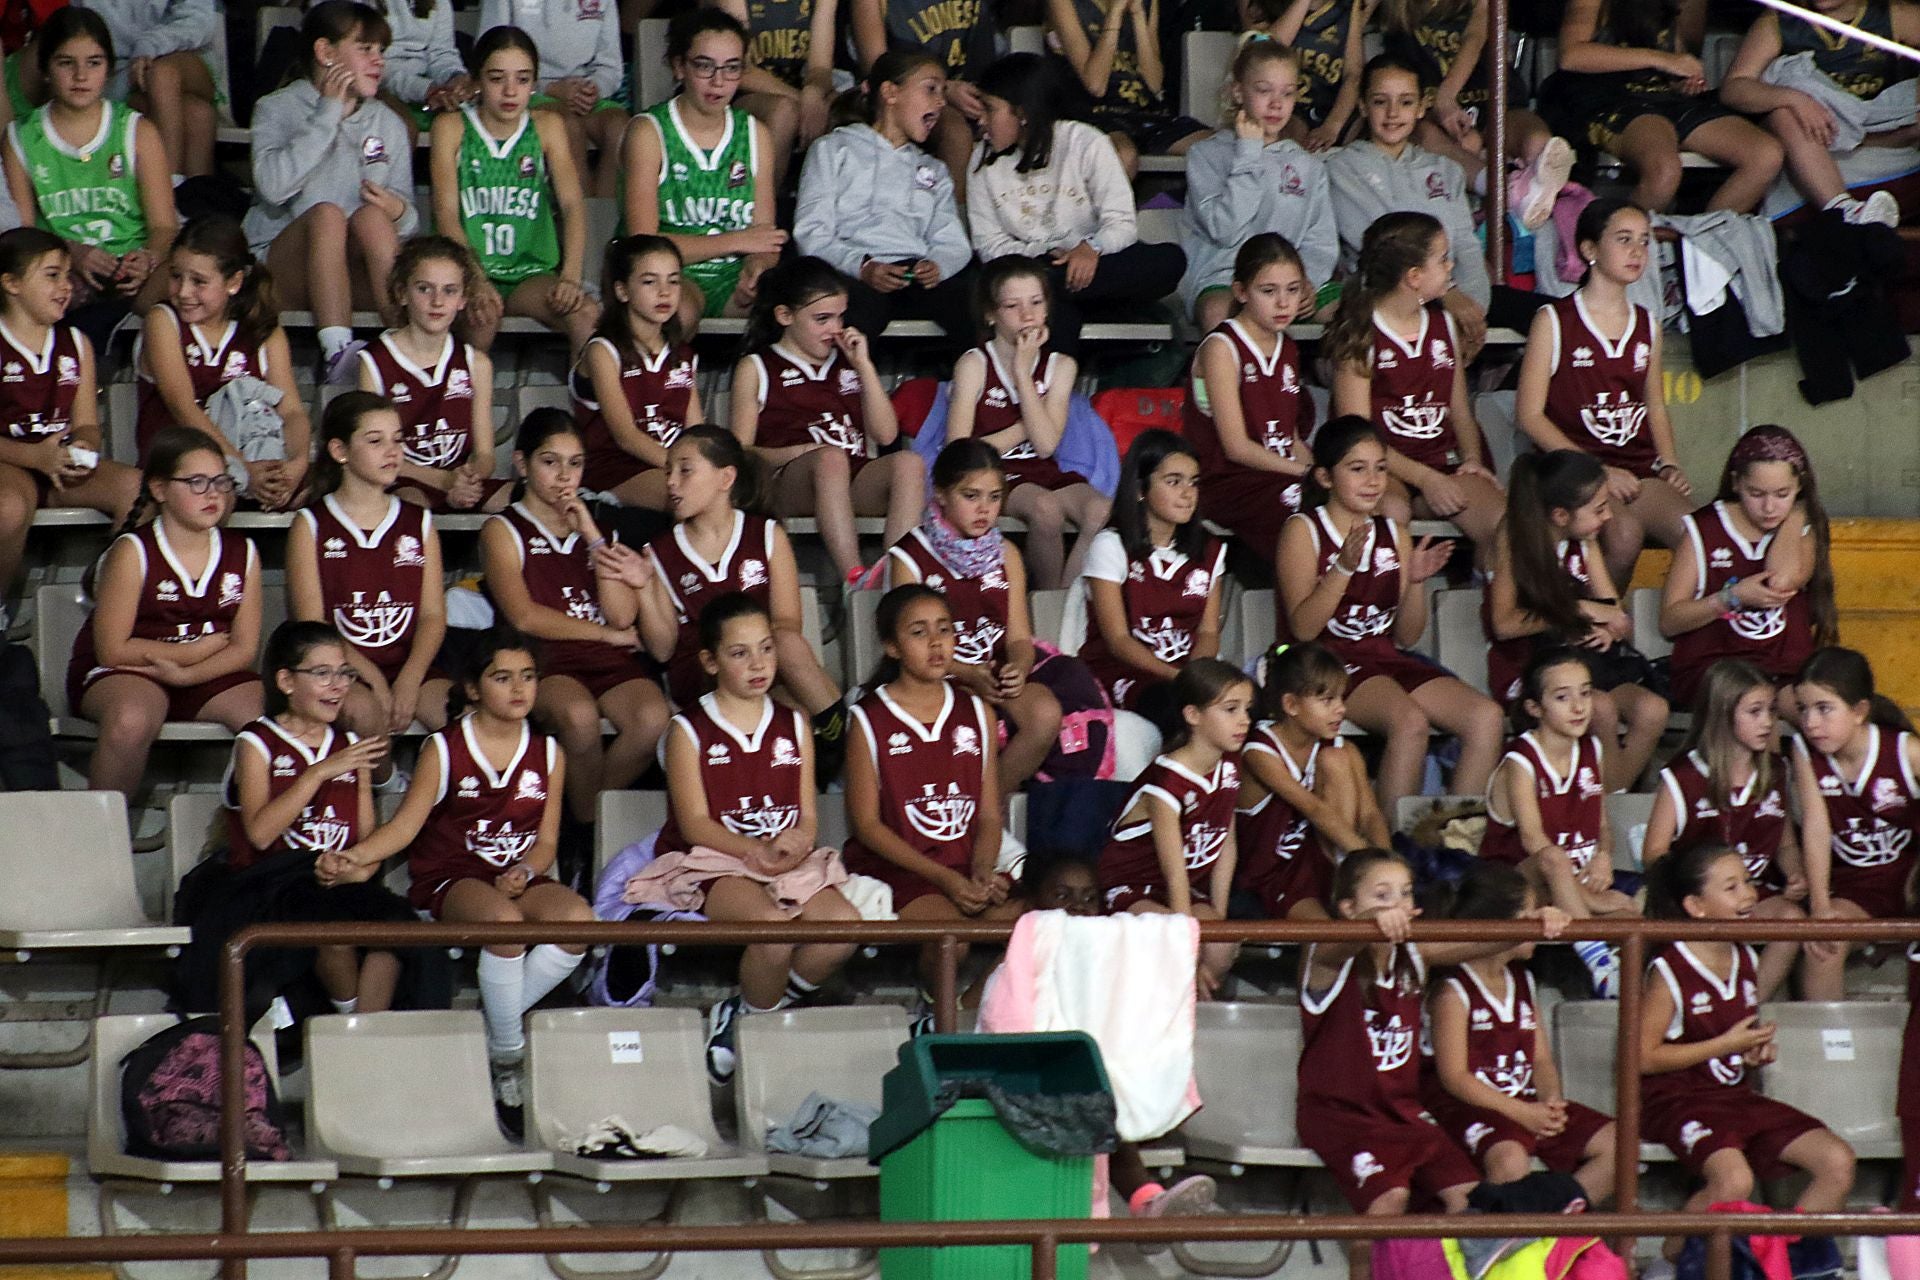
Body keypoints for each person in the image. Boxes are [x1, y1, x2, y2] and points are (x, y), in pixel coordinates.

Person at [320, 626, 596, 1126]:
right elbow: (404, 826)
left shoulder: (549, 752)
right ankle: (507, 1059)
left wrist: (526, 869)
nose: (519, 689)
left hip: (516, 876)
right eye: (503, 677)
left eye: (529, 677)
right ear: (473, 687)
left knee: (579, 921)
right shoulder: (443, 749)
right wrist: (356, 858)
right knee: (505, 926)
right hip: (452, 877)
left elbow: (548, 842)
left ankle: (493, 1029)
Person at [1297, 847, 1567, 1280]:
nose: (1397, 906)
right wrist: (1370, 927)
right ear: (1347, 907)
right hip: (1342, 1114)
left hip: (1403, 1110)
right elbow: (1335, 944)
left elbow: (1477, 941)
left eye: (1404, 894)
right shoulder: (1326, 957)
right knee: (1388, 1203)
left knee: (1471, 1202)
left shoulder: (1414, 955)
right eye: (1381, 895)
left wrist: (1530, 927)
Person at [643, 592, 859, 1083]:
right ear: (710, 661)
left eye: (766, 648)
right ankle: (762, 1030)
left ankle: (745, 1014)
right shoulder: (687, 730)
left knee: (843, 928)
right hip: (715, 860)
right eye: (740, 653)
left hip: (782, 857)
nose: (758, 664)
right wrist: (754, 853)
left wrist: (799, 841)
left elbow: (807, 814)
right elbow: (695, 823)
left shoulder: (795, 723)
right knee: (773, 932)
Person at [1277, 416, 1505, 817]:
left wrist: (1414, 580)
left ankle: (1448, 844)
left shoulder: (1394, 532)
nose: (1373, 480)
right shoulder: (1304, 529)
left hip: (1382, 655)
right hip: (1323, 661)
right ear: (1325, 477)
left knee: (1486, 718)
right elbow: (1304, 629)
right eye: (1357, 468)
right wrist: (1342, 568)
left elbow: (1407, 636)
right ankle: (1393, 852)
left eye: (1381, 468)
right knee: (1410, 723)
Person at [1639, 843, 1857, 1254]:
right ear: (1696, 906)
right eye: (1732, 887)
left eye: (1749, 882)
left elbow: (1734, 1039)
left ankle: (1780, 1261)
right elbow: (1643, 1057)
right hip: (1676, 1099)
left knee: (1837, 1161)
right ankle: (1667, 1261)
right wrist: (1724, 1045)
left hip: (1734, 1096)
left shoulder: (1745, 956)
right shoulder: (1670, 967)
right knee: (1734, 1181)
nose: (1749, 896)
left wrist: (1751, 1052)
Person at [995, 853, 1220, 1218]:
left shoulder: (1106, 966)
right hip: (1023, 1083)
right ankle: (1145, 1200)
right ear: (1034, 904)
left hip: (1085, 1092)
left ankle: (1147, 1201)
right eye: (1062, 897)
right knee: (1087, 1093)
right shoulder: (1016, 957)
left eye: (1088, 899)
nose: (1078, 910)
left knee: (1105, 1085)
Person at [480, 409, 671, 826]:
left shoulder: (600, 528)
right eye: (550, 462)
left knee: (655, 719)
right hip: (544, 661)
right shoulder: (503, 529)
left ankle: (580, 818)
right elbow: (524, 616)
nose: (565, 476)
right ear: (522, 464)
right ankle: (589, 830)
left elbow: (622, 616)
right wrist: (606, 636)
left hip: (605, 658)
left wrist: (592, 536)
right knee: (580, 717)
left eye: (575, 463)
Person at [843, 584, 1022, 995]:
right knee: (950, 938)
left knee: (1040, 923)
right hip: (903, 870)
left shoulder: (977, 709)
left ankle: (971, 1012)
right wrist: (945, 878)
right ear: (891, 647)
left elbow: (990, 814)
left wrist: (981, 869)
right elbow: (868, 826)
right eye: (919, 632)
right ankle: (938, 1015)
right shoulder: (869, 717)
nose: (937, 642)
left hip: (963, 864)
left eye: (945, 629)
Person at [69, 426, 262, 797]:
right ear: (160, 489)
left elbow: (243, 649)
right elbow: (112, 649)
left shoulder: (244, 553)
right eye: (197, 483)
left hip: (206, 672)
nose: (212, 494)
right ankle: (99, 841)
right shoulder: (133, 551)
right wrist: (188, 654)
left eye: (221, 482)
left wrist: (189, 674)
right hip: (129, 669)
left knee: (270, 721)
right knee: (131, 720)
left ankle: (246, 837)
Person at [225, 620, 403, 1017]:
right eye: (323, 674)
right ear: (286, 681)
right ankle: (350, 1019)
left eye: (344, 673)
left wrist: (353, 868)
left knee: (396, 929)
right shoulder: (256, 742)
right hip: (275, 882)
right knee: (331, 925)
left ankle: (362, 1029)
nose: (338, 686)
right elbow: (260, 832)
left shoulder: (351, 745)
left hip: (338, 878)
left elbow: (366, 840)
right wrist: (319, 772)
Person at [1516, 197, 1690, 587]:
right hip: (1577, 471)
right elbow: (1529, 415)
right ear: (1589, 249)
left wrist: (1670, 464)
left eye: (1645, 241)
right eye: (1623, 239)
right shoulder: (1553, 320)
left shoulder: (1648, 324)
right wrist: (1597, 471)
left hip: (1639, 471)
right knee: (1623, 534)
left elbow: (1654, 406)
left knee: (1698, 537)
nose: (1636, 252)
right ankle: (1592, 628)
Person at [966, 53, 1186, 356]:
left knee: (1168, 260)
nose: (982, 120)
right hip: (1034, 269)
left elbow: (1122, 224)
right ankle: (1050, 295)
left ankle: (1051, 293)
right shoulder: (982, 160)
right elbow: (989, 246)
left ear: (1022, 113)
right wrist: (1046, 256)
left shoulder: (1085, 142)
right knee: (1017, 292)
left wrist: (1089, 248)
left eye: (990, 109)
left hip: (1094, 266)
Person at [245, 1, 416, 383]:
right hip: (284, 271)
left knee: (373, 218)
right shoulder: (277, 108)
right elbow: (273, 187)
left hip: (350, 277)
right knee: (327, 215)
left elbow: (409, 224)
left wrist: (398, 210)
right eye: (365, 49)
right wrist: (327, 114)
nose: (379, 61)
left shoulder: (388, 123)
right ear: (325, 52)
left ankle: (408, 347)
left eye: (382, 51)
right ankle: (338, 354)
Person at [634, 428, 843, 737]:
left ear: (726, 478)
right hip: (705, 675)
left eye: (685, 470)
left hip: (761, 667)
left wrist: (751, 651)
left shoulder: (768, 535)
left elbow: (787, 623)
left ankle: (845, 742)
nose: (671, 482)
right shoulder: (658, 553)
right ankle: (850, 742)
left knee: (794, 711)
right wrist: (643, 588)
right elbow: (663, 650)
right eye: (668, 472)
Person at [730, 255, 924, 587]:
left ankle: (899, 582)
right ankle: (855, 577)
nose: (834, 329)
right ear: (785, 315)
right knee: (830, 460)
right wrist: (801, 452)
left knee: (909, 463)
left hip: (850, 476)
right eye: (822, 319)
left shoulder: (848, 361)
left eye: (840, 317)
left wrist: (863, 366)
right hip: (788, 481)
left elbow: (886, 432)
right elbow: (740, 453)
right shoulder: (758, 367)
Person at [1425, 861, 1616, 1197]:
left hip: (1525, 1102)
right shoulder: (1453, 990)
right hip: (1472, 1107)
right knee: (1510, 1159)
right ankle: (1516, 1243)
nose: (1541, 918)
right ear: (1501, 924)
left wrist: (1551, 1102)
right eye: (1531, 912)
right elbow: (1454, 1078)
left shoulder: (1522, 979)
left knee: (1617, 1142)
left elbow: (1540, 1059)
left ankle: (1557, 1222)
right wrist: (1523, 1113)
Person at [1483, 450, 1669, 791]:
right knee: (1599, 708)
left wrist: (1610, 632)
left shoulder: (1585, 541)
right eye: (1599, 509)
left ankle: (1609, 795)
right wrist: (1579, 610)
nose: (1609, 516)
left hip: (1589, 663)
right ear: (1560, 515)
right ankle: (1605, 807)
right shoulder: (1515, 537)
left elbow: (1615, 615)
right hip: (1532, 666)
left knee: (1652, 710)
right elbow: (1505, 624)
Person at [1647, 658, 1831, 1000]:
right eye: (1755, 711)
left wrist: (1795, 874)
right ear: (1722, 713)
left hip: (1752, 894)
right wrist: (1701, 887)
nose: (1767, 722)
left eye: (1772, 711)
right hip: (1703, 903)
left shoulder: (1776, 771)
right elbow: (1654, 852)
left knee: (1792, 918)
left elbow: (1785, 844)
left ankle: (1746, 1002)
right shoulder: (1683, 776)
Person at [886, 440, 1065, 792]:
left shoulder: (1007, 553)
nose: (984, 509)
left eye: (994, 497)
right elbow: (909, 647)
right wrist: (967, 673)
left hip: (992, 677)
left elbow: (1018, 638)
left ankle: (990, 806)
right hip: (934, 678)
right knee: (963, 719)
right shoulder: (909, 556)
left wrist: (1018, 669)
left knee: (1045, 714)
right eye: (971, 496)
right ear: (940, 494)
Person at [1324, 212, 1505, 553]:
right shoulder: (1362, 332)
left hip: (1442, 462)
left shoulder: (1444, 325)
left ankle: (1495, 598)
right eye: (1442, 259)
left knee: (1504, 525)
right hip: (1383, 467)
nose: (1451, 266)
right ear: (1414, 277)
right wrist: (1425, 479)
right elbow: (1357, 436)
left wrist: (1471, 461)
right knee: (1391, 512)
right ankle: (1394, 604)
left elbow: (1460, 413)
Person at [1327, 53, 1519, 353]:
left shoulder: (1445, 170)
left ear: (1421, 108)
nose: (1393, 113)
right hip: (1387, 297)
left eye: (1405, 102)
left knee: (1551, 316)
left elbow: (1466, 247)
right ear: (1363, 106)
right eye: (1380, 101)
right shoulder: (1341, 167)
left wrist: (1474, 308)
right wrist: (1447, 293)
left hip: (1454, 295)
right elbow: (1388, 246)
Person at [289, 392, 453, 743]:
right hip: (341, 666)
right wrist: (373, 678)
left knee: (462, 718)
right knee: (364, 713)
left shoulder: (419, 522)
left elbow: (432, 616)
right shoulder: (312, 524)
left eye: (398, 440)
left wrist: (410, 677)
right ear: (340, 451)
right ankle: (384, 786)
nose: (392, 451)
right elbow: (315, 626)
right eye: (376, 441)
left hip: (411, 666)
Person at [1, 7, 177, 329]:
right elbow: (23, 234)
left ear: (109, 69)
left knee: (191, 274)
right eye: (66, 63)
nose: (81, 76)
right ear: (45, 69)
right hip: (62, 272)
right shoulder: (21, 137)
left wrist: (148, 258)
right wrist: (73, 254)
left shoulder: (137, 131)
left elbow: (164, 226)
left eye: (93, 63)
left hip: (134, 271)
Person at [1477, 649, 1638, 995]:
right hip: (1516, 884)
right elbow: (1534, 841)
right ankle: (1597, 960)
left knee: (1634, 915)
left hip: (1568, 887)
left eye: (1585, 692)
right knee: (1552, 858)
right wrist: (1588, 898)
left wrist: (1604, 857)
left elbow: (1602, 824)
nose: (1579, 706)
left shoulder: (1593, 749)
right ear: (1535, 708)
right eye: (1563, 697)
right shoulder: (1521, 760)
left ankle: (1623, 989)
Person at [429, 25, 597, 356]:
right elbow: (446, 215)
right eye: (496, 78)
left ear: (534, 84)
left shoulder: (547, 126)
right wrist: (474, 278)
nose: (510, 91)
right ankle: (463, 403)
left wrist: (571, 277)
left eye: (522, 79)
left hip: (529, 273)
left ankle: (586, 404)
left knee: (585, 313)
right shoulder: (451, 127)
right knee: (483, 317)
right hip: (467, 271)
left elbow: (573, 206)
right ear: (476, 81)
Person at [944, 256, 1111, 589]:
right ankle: (1047, 599)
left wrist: (1024, 375)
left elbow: (1047, 446)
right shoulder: (974, 364)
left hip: (1043, 469)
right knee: (1046, 509)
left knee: (1102, 511)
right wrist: (1025, 391)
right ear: (991, 314)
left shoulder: (1061, 365)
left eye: (1036, 302)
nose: (1027, 315)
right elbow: (959, 451)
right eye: (1012, 305)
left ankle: (1065, 599)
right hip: (993, 475)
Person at [792, 50, 975, 348]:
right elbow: (812, 232)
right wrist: (862, 267)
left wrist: (937, 265)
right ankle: (841, 390)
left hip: (912, 275)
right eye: (931, 89)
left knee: (973, 303)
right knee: (860, 309)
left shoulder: (933, 169)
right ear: (890, 92)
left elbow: (952, 241)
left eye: (943, 92)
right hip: (851, 271)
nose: (941, 102)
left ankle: (981, 390)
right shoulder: (833, 149)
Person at [622, 10, 785, 336]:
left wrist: (756, 269)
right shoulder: (649, 131)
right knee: (674, 313)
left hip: (731, 279)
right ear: (679, 66)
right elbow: (644, 245)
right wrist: (736, 241)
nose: (719, 81)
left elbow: (764, 239)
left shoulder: (756, 135)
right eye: (705, 65)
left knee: (791, 312)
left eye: (731, 68)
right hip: (672, 276)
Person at [0, 227, 138, 611]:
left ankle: (111, 599)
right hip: (10, 463)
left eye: (66, 275)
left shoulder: (76, 343)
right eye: (51, 275)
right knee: (8, 508)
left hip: (56, 464)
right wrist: (35, 458)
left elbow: (87, 424)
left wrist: (85, 446)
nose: (65, 286)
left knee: (137, 489)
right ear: (11, 283)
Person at [134, 216, 311, 509]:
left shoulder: (264, 330)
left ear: (234, 282)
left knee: (317, 494)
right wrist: (240, 468)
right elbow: (183, 405)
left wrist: (296, 464)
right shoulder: (163, 321)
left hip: (251, 460)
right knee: (216, 492)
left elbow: (291, 410)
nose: (184, 291)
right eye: (176, 276)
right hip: (181, 468)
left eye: (199, 282)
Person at [1542, 0, 1784, 211]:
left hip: (1662, 95)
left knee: (1765, 156)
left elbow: (1678, 56)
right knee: (1664, 171)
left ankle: (1698, 249)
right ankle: (1621, 245)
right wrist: (1662, 60)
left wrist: (1684, 80)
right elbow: (1571, 56)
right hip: (1604, 95)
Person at [1098, 658, 1250, 994]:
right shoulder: (1167, 780)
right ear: (1193, 715)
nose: (1244, 720)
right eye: (1231, 709)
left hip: (1179, 891)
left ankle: (1195, 1008)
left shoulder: (1230, 766)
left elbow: (1226, 842)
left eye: (1247, 710)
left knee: (1222, 944)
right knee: (1167, 941)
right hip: (1132, 887)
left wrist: (1218, 915)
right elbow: (1174, 872)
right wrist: (1189, 958)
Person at [1662, 424, 1835, 713]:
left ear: (1799, 487)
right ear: (1736, 483)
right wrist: (1732, 598)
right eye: (1757, 494)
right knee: (1755, 705)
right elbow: (1669, 621)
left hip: (1784, 671)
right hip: (1716, 671)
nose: (1769, 507)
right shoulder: (1704, 528)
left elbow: (1779, 581)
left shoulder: (1803, 526)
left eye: (1782, 493)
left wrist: (1797, 513)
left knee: (1823, 712)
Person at [1176, 38, 1337, 333]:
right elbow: (1226, 230)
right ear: (1238, 91)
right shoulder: (1207, 155)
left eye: (1287, 94)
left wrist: (1305, 281)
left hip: (1291, 281)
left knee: (1351, 311)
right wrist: (1249, 154)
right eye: (1264, 91)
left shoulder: (1309, 166)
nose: (1276, 103)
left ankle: (1308, 376)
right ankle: (1226, 378)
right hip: (1226, 277)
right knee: (1218, 313)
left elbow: (1320, 241)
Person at [1720, 0, 1920, 225]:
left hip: (1880, 127)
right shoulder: (1779, 20)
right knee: (1782, 112)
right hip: (1812, 135)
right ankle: (1843, 207)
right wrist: (1794, 98)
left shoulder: (1894, 14)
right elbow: (1734, 87)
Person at [1180, 233, 1315, 564]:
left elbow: (1291, 438)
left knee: (1347, 503)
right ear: (1240, 292)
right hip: (1230, 481)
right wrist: (1303, 474)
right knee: (1302, 517)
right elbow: (1236, 447)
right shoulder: (1221, 348)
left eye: (1293, 290)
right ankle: (1303, 610)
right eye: (1269, 291)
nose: (1283, 303)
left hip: (1279, 474)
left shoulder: (1288, 347)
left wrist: (1320, 470)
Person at [1234, 641, 1389, 921]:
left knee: (1336, 758)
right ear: (1291, 704)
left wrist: (1387, 866)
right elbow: (1315, 810)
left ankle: (1349, 878)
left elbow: (1370, 815)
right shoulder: (1259, 752)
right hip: (1274, 874)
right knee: (1331, 934)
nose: (1341, 709)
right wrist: (1370, 866)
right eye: (1328, 700)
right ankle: (1353, 882)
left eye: (1342, 698)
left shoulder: (1342, 748)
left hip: (1326, 861)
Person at [1378, 0, 1573, 221]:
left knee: (1537, 139)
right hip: (1425, 108)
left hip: (1489, 97)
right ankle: (1507, 189)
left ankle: (1540, 177)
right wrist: (1442, 105)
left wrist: (1447, 96)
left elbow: (1474, 38)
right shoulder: (1397, 7)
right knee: (1428, 135)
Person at [355, 235, 510, 514]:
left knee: (528, 500)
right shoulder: (375, 361)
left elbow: (485, 453)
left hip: (459, 478)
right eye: (425, 289)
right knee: (410, 506)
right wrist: (444, 481)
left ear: (463, 299)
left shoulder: (477, 363)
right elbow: (376, 450)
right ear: (402, 293)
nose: (437, 301)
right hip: (405, 479)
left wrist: (470, 479)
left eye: (450, 291)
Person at [1077, 429, 1226, 716]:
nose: (1187, 494)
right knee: (1171, 709)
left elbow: (1208, 631)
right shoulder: (1111, 545)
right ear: (1140, 489)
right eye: (1174, 482)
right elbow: (1118, 640)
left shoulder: (1209, 548)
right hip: (1124, 670)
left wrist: (1196, 676)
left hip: (1187, 670)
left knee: (1246, 705)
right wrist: (1177, 678)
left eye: (1193, 483)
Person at [1794, 647, 1920, 947]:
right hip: (1853, 887)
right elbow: (1816, 828)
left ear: (1859, 711)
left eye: (1823, 708)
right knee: (1824, 946)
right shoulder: (1803, 750)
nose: (1810, 722)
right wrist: (1820, 907)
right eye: (1802, 709)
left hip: (1910, 878)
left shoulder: (1906, 751)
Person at [569, 235, 704, 510]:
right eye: (649, 281)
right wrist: (686, 470)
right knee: (687, 495)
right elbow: (626, 436)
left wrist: (706, 468)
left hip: (671, 466)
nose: (664, 292)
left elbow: (696, 430)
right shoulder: (603, 351)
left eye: (673, 281)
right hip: (615, 468)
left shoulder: (683, 354)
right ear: (622, 291)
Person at [477, 0, 628, 198]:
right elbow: (489, 57)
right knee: (567, 126)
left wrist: (593, 89)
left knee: (621, 128)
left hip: (582, 91)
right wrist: (548, 88)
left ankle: (604, 220)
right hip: (527, 90)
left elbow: (610, 66)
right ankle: (583, 219)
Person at [848, 0, 996, 191]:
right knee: (955, 132)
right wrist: (945, 89)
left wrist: (983, 103)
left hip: (957, 95)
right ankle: (955, 213)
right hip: (902, 98)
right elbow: (880, 73)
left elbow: (986, 70)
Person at [699, 0, 840, 180]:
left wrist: (814, 91)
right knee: (784, 111)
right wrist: (803, 100)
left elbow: (820, 68)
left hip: (797, 92)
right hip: (736, 93)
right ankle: (763, 202)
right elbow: (740, 69)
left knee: (844, 108)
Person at [81, 0, 220, 179]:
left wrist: (150, 45)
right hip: (120, 70)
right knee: (196, 113)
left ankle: (168, 183)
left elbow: (199, 20)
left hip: (184, 53)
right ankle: (192, 199)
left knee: (160, 75)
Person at [1244, 0, 1367, 151]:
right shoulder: (1269, 6)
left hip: (1334, 102)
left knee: (1365, 137)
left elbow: (1354, 74)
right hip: (1289, 102)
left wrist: (1332, 126)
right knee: (1292, 142)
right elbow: (1268, 51)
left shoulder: (1348, 5)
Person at [375, 0, 470, 137]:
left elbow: (441, 53)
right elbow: (370, 64)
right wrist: (425, 89)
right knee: (403, 127)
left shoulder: (440, 3)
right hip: (379, 87)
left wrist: (454, 77)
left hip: (427, 85)